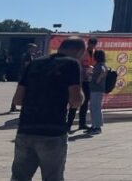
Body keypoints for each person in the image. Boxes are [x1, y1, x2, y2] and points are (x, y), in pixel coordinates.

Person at [10, 36, 86, 181]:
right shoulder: (72, 64)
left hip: (26, 129)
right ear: (80, 51)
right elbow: (75, 101)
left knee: (19, 177)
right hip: (52, 131)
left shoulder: (34, 64)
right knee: (52, 177)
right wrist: (81, 91)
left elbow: (17, 99)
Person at [66, 37, 97, 132]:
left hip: (88, 80)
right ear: (88, 44)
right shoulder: (83, 53)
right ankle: (69, 124)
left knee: (85, 102)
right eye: (91, 44)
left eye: (94, 45)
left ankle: (82, 123)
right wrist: (86, 68)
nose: (92, 46)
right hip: (79, 80)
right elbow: (78, 64)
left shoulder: (94, 53)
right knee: (75, 101)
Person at [9, 44, 38, 113]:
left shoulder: (30, 55)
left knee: (22, 91)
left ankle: (13, 106)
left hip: (25, 75)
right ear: (29, 48)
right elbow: (26, 65)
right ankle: (14, 106)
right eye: (34, 48)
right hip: (24, 75)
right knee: (22, 91)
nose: (35, 50)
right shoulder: (27, 56)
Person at [86, 50, 108, 135]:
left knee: (96, 108)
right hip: (94, 89)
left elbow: (104, 71)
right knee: (93, 108)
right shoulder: (98, 65)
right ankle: (94, 125)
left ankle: (97, 127)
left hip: (97, 89)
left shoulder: (101, 65)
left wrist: (98, 80)